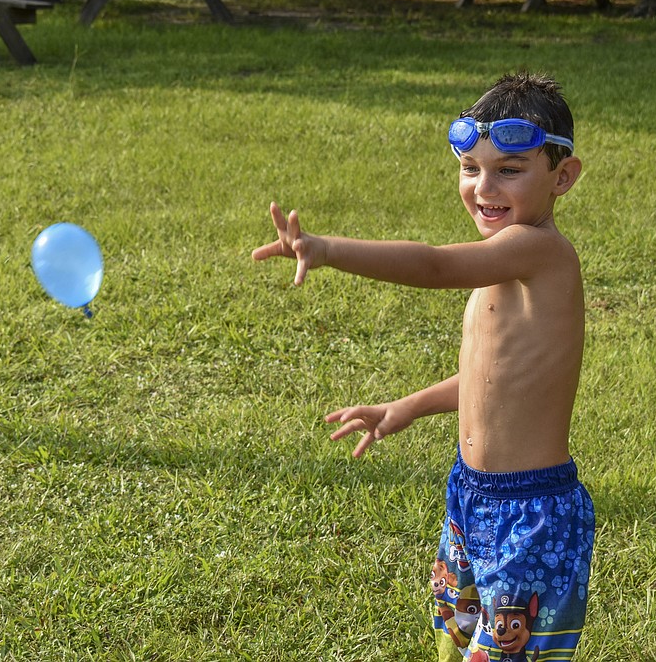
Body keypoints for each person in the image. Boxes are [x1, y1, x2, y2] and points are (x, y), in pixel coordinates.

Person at [252, 72, 595, 662]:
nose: (485, 185)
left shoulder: (539, 251)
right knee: (457, 641)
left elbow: (434, 266)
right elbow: (492, 379)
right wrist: (405, 407)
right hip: (470, 494)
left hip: (530, 513)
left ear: (562, 176)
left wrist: (329, 249)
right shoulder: (505, 264)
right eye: (471, 168)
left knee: (505, 652)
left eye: (510, 169)